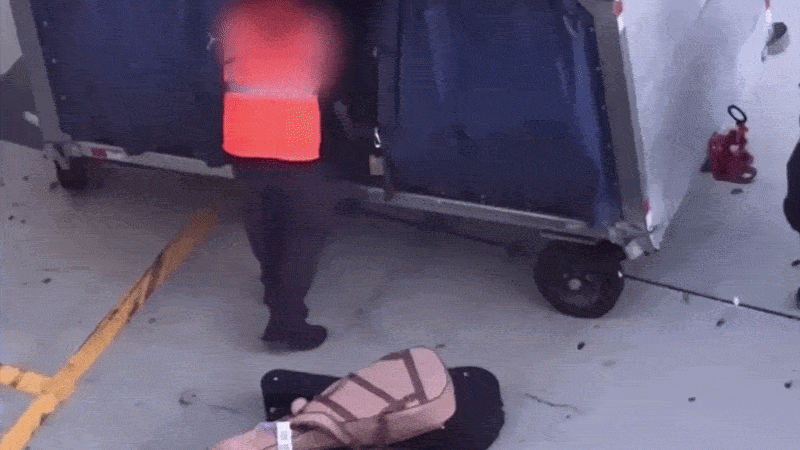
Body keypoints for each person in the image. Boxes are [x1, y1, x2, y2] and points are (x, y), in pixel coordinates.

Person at [215, 0, 355, 351]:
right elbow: (328, 81)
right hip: (295, 142)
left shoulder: (235, 18)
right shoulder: (314, 21)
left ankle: (270, 287)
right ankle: (287, 322)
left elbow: (221, 64)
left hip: (243, 138)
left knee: (262, 221)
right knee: (303, 233)